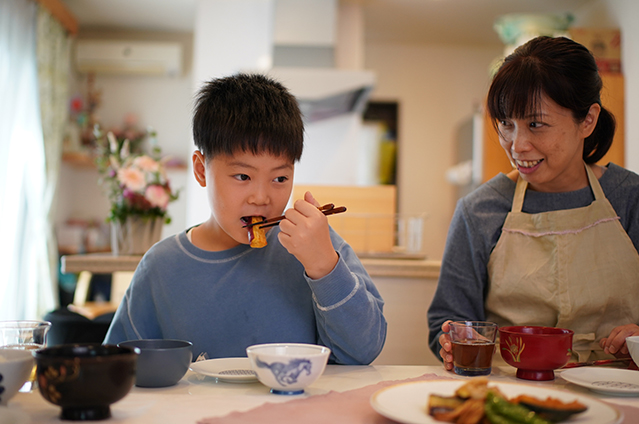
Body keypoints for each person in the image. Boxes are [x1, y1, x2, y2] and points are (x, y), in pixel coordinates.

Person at [104, 73, 387, 365]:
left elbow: (363, 351)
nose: (261, 198)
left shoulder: (317, 245)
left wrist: (324, 267)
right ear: (201, 170)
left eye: (280, 178)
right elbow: (117, 366)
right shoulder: (161, 267)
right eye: (242, 176)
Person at [428, 36, 639, 370]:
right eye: (506, 124)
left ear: (587, 120)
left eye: (536, 124)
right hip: (511, 388)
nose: (517, 145)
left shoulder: (630, 199)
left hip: (618, 387)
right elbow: (447, 319)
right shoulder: (479, 210)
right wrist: (454, 338)